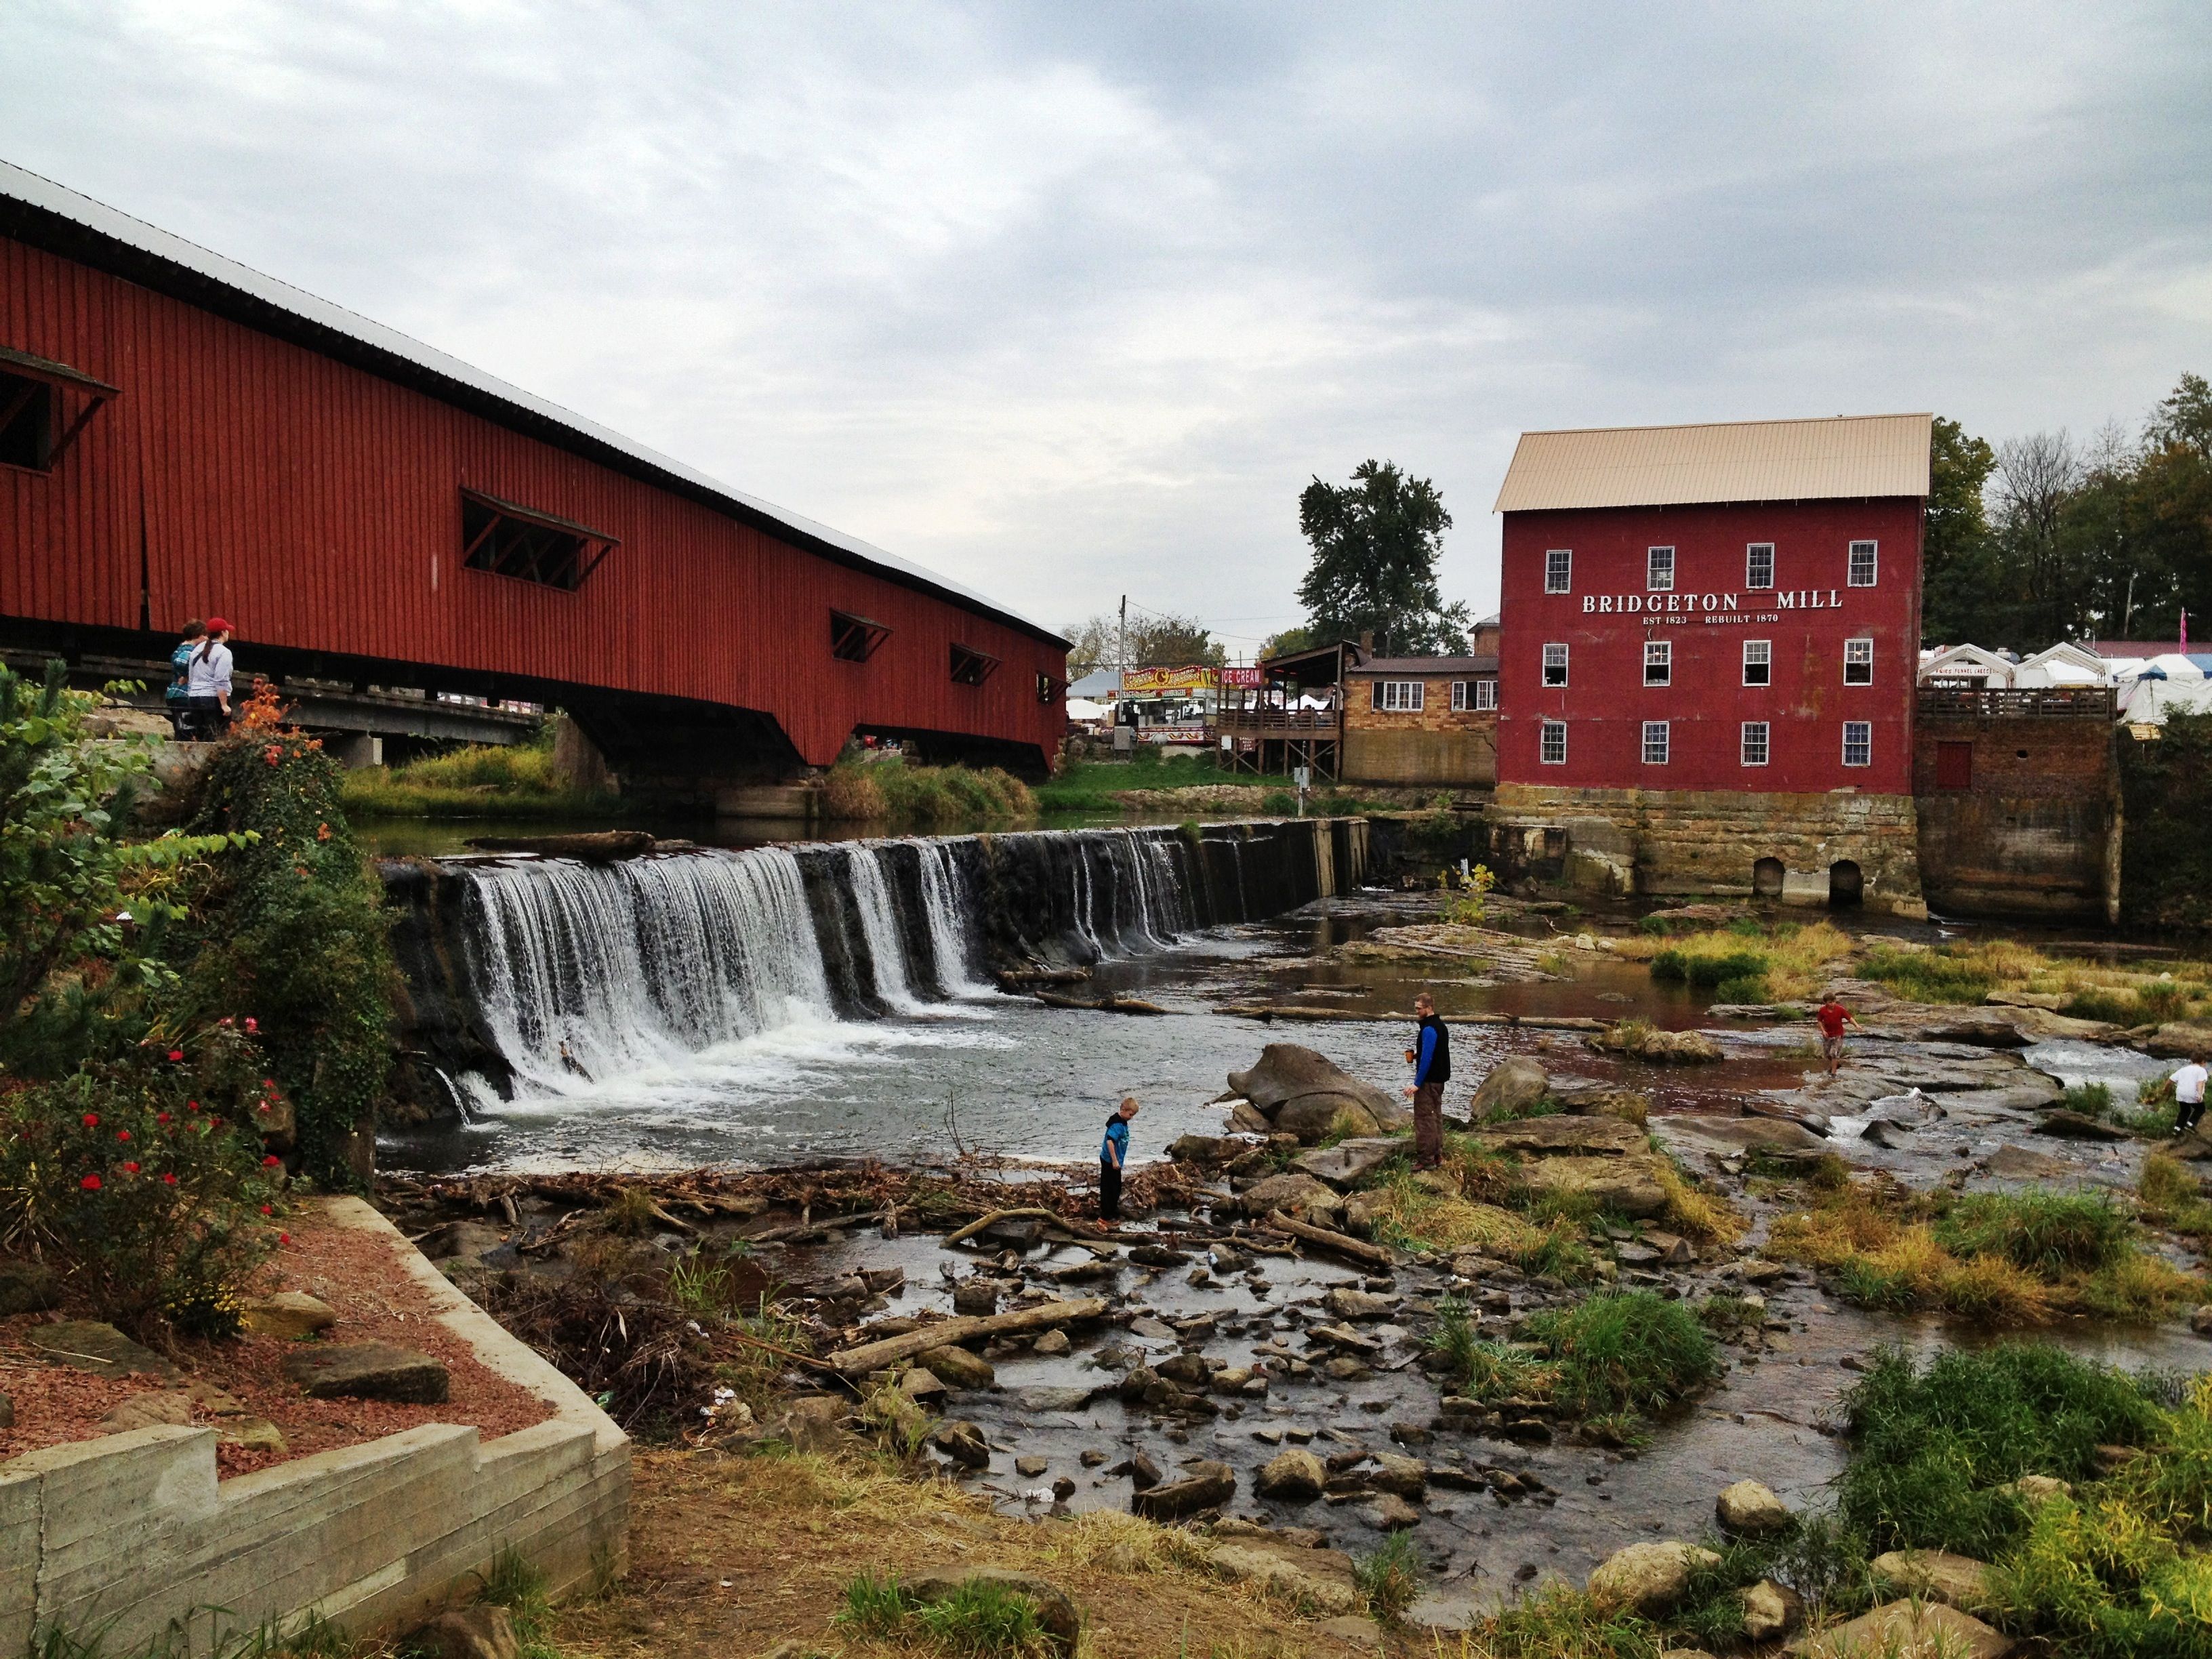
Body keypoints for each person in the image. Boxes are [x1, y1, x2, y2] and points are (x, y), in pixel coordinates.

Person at [1401, 990, 1450, 1168]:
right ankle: (1437, 1156)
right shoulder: (1441, 1026)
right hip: (1440, 1081)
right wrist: (1416, 1056)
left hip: (1429, 1082)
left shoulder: (1429, 1029)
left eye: (1419, 1009)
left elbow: (1429, 1058)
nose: (1417, 1012)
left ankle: (1426, 1160)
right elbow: (1437, 1054)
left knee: (1424, 1120)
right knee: (1436, 1117)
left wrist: (1416, 1084)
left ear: (1429, 1008)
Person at [182, 616, 234, 739]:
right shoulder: (224, 652)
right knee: (218, 737)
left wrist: (191, 695)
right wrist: (224, 704)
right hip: (213, 700)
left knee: (201, 737)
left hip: (195, 698)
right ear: (223, 632)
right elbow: (221, 679)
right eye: (227, 630)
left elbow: (192, 676)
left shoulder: (196, 650)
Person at [1099, 1097, 1139, 1221]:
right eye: (1130, 1114)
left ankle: (1113, 1209)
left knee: (1116, 1187)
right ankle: (1106, 1214)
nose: (1131, 1118)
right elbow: (1110, 1141)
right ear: (1122, 1109)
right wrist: (1115, 1160)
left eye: (1133, 1115)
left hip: (1115, 1160)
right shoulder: (1116, 1124)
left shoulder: (1122, 1122)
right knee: (1109, 1187)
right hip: (1109, 1160)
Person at [164, 619, 205, 739]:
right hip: (183, 694)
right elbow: (181, 662)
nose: (207, 639)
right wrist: (188, 675)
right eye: (205, 635)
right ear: (198, 635)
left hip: (174, 693)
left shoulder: (180, 648)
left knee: (181, 727)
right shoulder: (189, 649)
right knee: (186, 730)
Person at [1815, 991, 1860, 1079]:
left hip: (1838, 1035)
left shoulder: (1840, 1009)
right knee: (1827, 1055)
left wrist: (1856, 1025)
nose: (1832, 1004)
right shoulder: (1822, 1010)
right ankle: (1836, 1064)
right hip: (1828, 1036)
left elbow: (1849, 1018)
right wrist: (1823, 1031)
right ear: (1825, 1003)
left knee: (1834, 1054)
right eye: (1830, 1002)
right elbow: (1819, 1021)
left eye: (1834, 1002)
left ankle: (1833, 1073)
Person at [2173, 1052, 2208, 1139]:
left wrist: (2164, 1091)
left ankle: (2176, 1130)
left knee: (2185, 1111)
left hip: (2181, 1093)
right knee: (2201, 1109)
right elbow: (2200, 1083)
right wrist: (2200, 1094)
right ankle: (2190, 1124)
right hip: (2192, 1093)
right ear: (2203, 1062)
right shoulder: (2202, 1070)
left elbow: (2170, 1080)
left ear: (2192, 1060)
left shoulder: (2183, 1069)